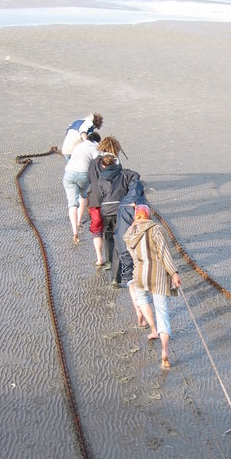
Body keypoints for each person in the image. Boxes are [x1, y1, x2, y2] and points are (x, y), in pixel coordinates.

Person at [125, 205, 181, 369]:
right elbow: (165, 255)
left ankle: (153, 329)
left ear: (136, 216)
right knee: (162, 312)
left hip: (139, 275)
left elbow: (133, 256)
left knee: (142, 299)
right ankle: (164, 352)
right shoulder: (157, 229)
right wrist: (174, 273)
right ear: (149, 215)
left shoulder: (130, 233)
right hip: (158, 276)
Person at [98, 151, 140, 274]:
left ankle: (110, 261)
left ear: (103, 166)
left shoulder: (101, 177)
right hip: (119, 209)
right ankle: (117, 272)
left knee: (108, 236)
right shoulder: (123, 173)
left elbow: (101, 193)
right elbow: (136, 175)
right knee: (119, 239)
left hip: (106, 211)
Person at [114, 180, 149, 327]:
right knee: (141, 274)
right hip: (137, 244)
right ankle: (144, 308)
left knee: (130, 277)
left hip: (122, 241)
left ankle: (138, 310)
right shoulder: (141, 203)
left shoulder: (123, 202)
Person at [88, 135, 122, 267]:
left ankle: (99, 258)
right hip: (112, 200)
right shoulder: (116, 162)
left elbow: (89, 178)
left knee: (97, 230)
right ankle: (113, 260)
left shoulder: (93, 162)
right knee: (112, 232)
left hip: (95, 200)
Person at [62, 131, 100, 243]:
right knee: (82, 195)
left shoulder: (79, 146)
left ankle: (75, 231)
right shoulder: (94, 147)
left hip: (69, 174)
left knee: (72, 203)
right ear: (97, 141)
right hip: (83, 174)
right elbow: (97, 161)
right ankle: (79, 221)